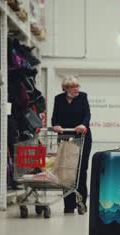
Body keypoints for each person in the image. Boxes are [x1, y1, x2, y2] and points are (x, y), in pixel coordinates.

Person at [51, 75, 92, 215]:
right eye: (74, 87)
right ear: (66, 88)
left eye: (77, 86)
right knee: (66, 171)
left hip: (82, 137)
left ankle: (81, 203)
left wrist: (83, 124)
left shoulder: (83, 97)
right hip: (65, 137)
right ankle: (68, 205)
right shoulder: (59, 99)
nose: (77, 89)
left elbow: (87, 114)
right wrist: (55, 125)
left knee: (81, 170)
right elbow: (54, 117)